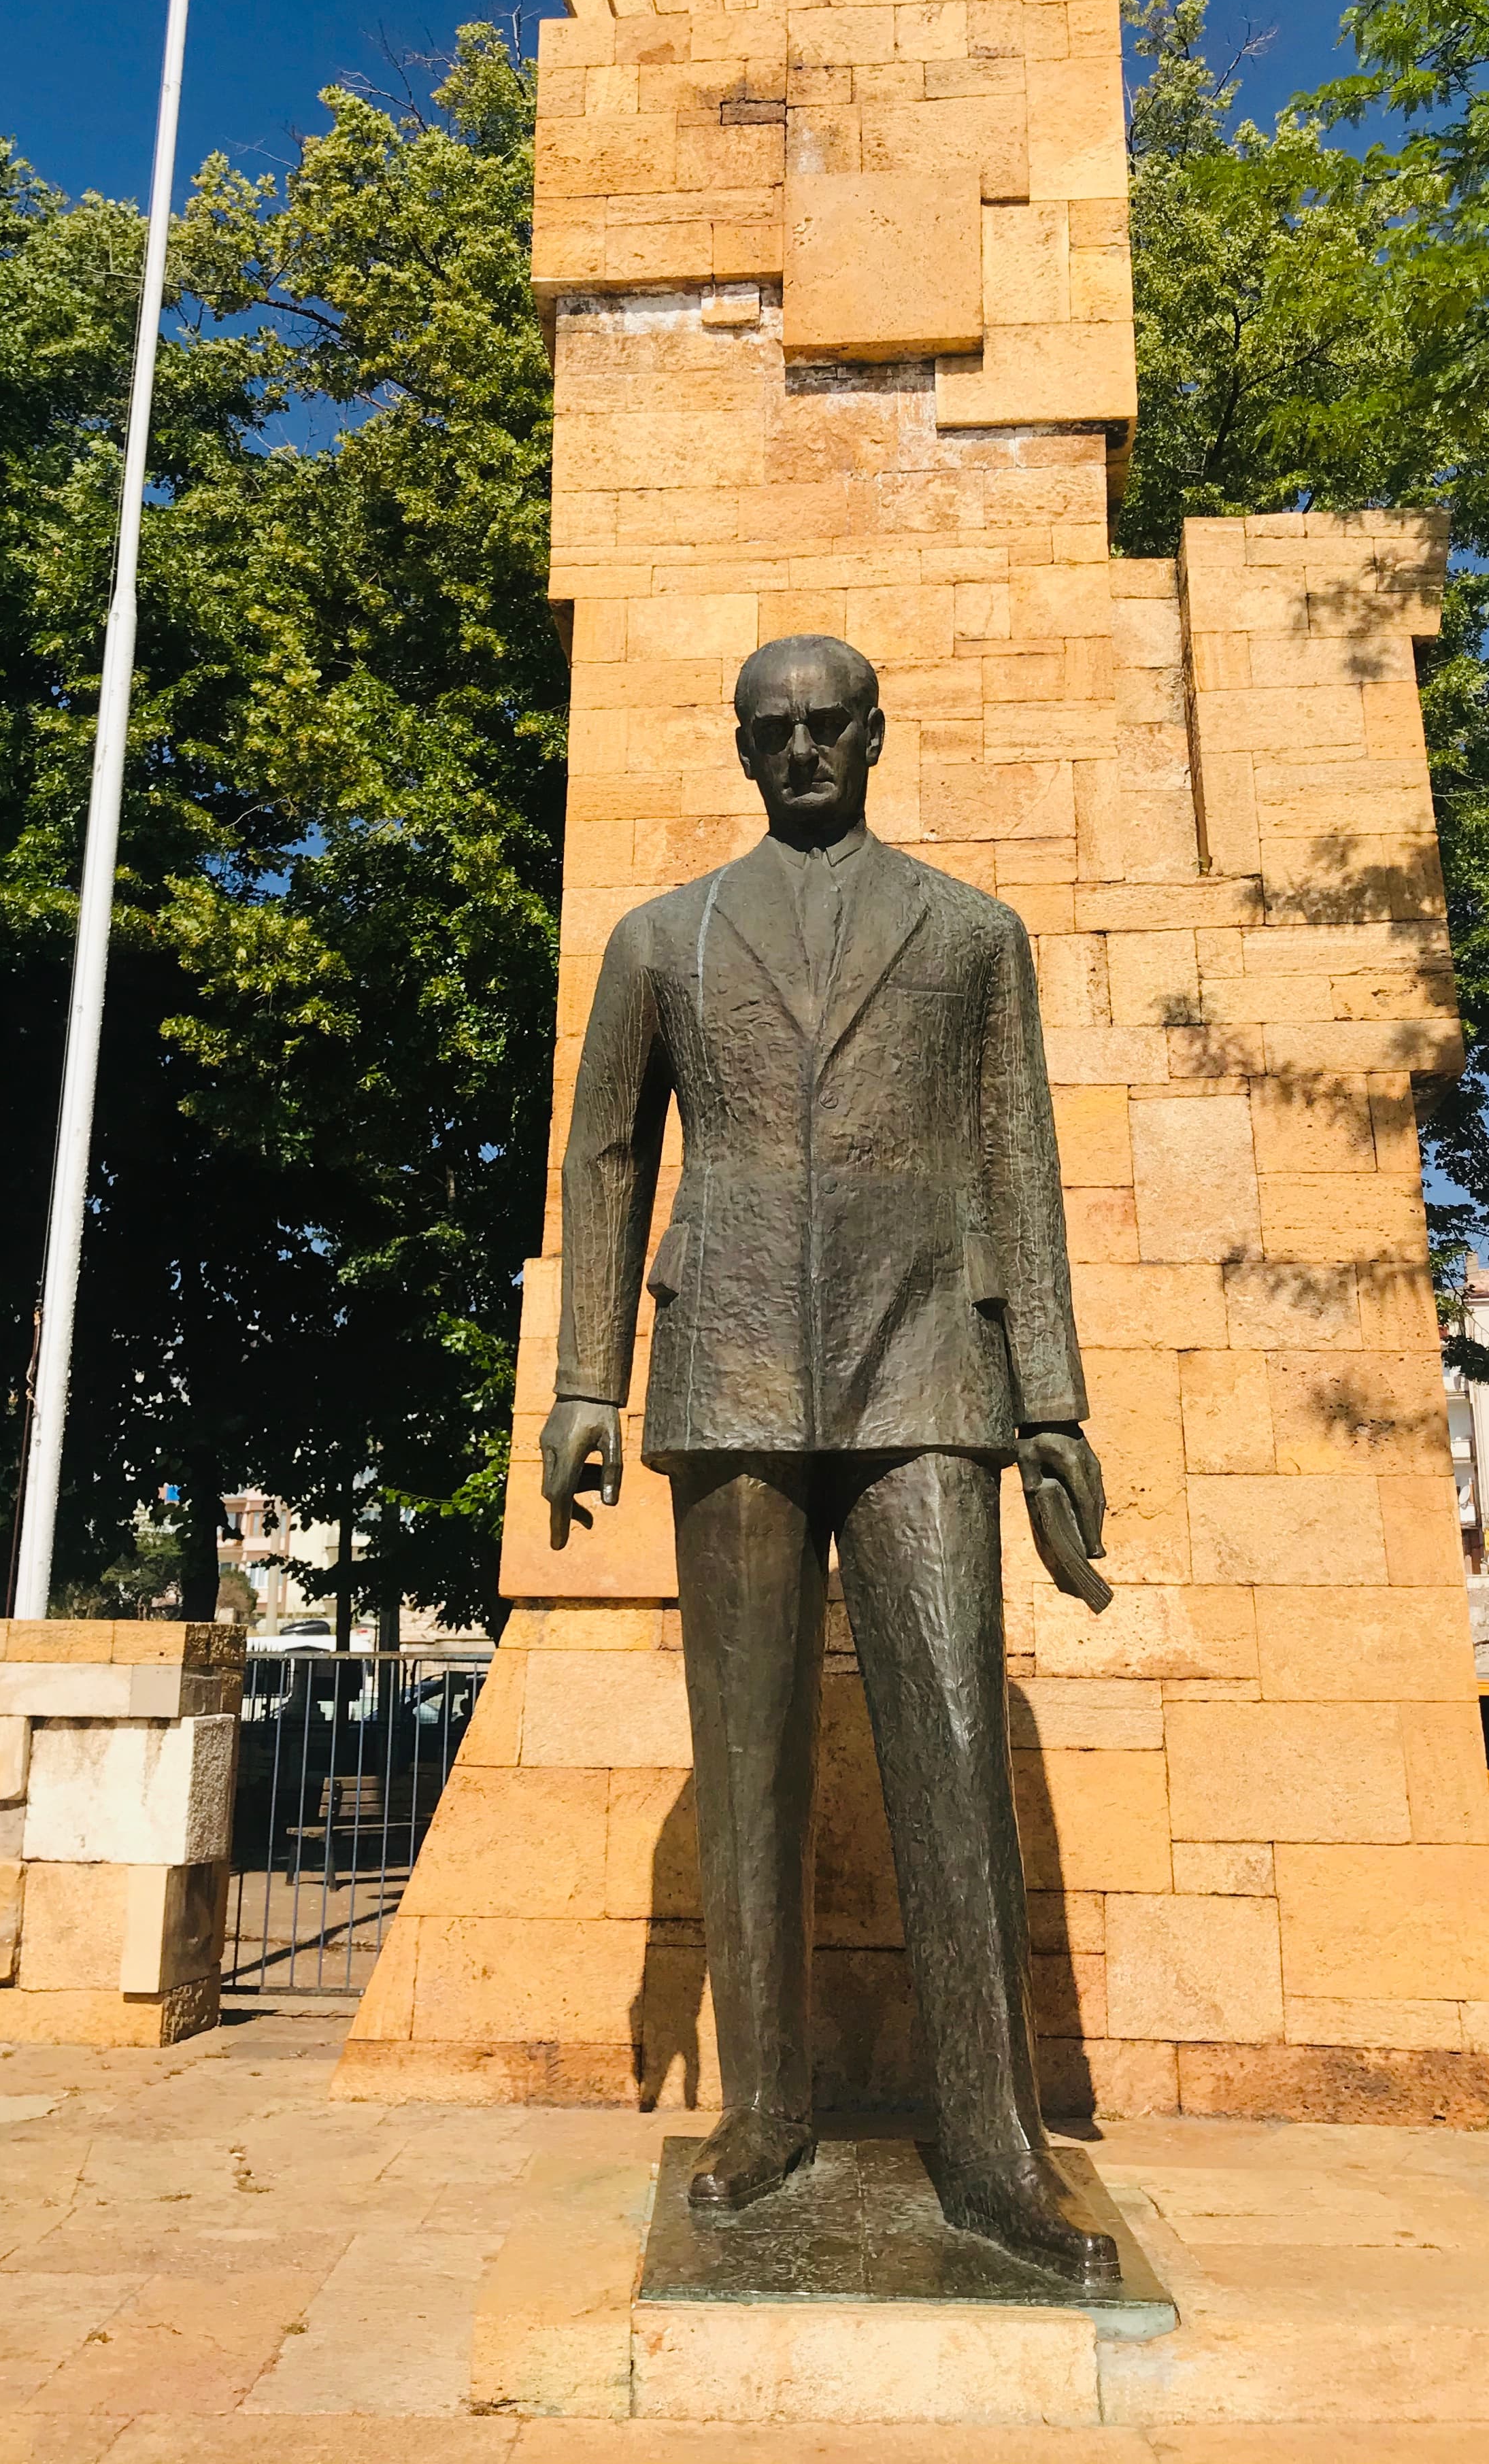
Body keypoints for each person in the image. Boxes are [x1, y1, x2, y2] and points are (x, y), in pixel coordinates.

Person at [540, 632, 1116, 2279]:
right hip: (721, 1366)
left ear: (876, 733)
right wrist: (587, 1377)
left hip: (930, 1363)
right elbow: (601, 1155)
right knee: (747, 1755)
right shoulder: (662, 941)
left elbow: (1023, 1164)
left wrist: (1052, 1403)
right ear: (740, 750)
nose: (800, 750)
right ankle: (767, 2108)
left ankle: (997, 2147)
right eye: (770, 730)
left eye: (825, 726)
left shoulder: (970, 935)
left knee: (948, 1743)